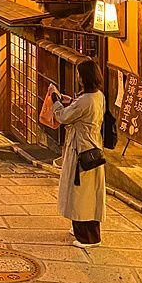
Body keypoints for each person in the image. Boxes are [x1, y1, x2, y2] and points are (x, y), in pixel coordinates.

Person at [51, 59, 106, 248]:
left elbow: (64, 117)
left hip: (81, 150)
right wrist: (69, 102)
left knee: (81, 194)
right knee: (88, 193)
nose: (77, 78)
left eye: (78, 75)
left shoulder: (85, 101)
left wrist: (56, 102)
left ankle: (89, 237)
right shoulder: (98, 96)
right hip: (93, 146)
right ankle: (80, 228)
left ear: (84, 78)